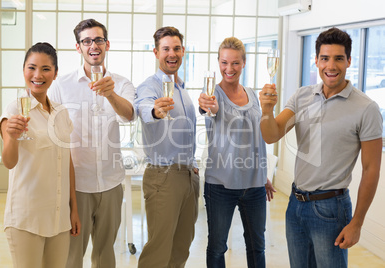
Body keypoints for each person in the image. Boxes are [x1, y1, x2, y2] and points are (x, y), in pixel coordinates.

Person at [259, 27, 382, 267]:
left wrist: (357, 222)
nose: (331, 66)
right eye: (325, 58)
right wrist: (266, 111)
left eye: (338, 58)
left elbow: (371, 169)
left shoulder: (366, 108)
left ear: (348, 61)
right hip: (295, 205)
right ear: (316, 61)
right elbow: (271, 136)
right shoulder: (302, 96)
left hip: (331, 209)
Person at [48, 19, 135, 267]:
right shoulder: (61, 86)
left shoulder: (121, 83)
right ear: (79, 48)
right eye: (86, 41)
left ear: (106, 44)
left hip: (111, 183)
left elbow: (128, 115)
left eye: (98, 40)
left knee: (106, 255)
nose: (93, 45)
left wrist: (110, 94)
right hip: (76, 187)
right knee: (72, 256)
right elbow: (50, 129)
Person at [0, 42, 81, 268]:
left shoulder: (61, 113)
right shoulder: (14, 110)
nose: (38, 75)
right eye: (31, 67)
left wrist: (73, 208)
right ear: (24, 70)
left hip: (58, 218)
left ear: (55, 74)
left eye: (45, 69)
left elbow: (67, 163)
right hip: (27, 218)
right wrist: (13, 136)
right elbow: (9, 161)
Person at [198, 37, 276, 268]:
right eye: (224, 62)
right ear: (219, 63)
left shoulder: (253, 95)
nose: (228, 69)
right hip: (220, 186)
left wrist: (264, 174)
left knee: (256, 247)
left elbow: (256, 138)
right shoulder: (212, 93)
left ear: (243, 63)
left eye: (234, 63)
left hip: (253, 185)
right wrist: (205, 105)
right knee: (217, 248)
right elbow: (206, 106)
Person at [134, 26, 199, 268]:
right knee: (158, 251)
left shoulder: (182, 88)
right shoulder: (149, 86)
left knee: (182, 246)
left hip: (188, 175)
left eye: (176, 48)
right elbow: (144, 108)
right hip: (163, 176)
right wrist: (155, 111)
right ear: (156, 52)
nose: (172, 54)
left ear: (183, 51)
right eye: (166, 49)